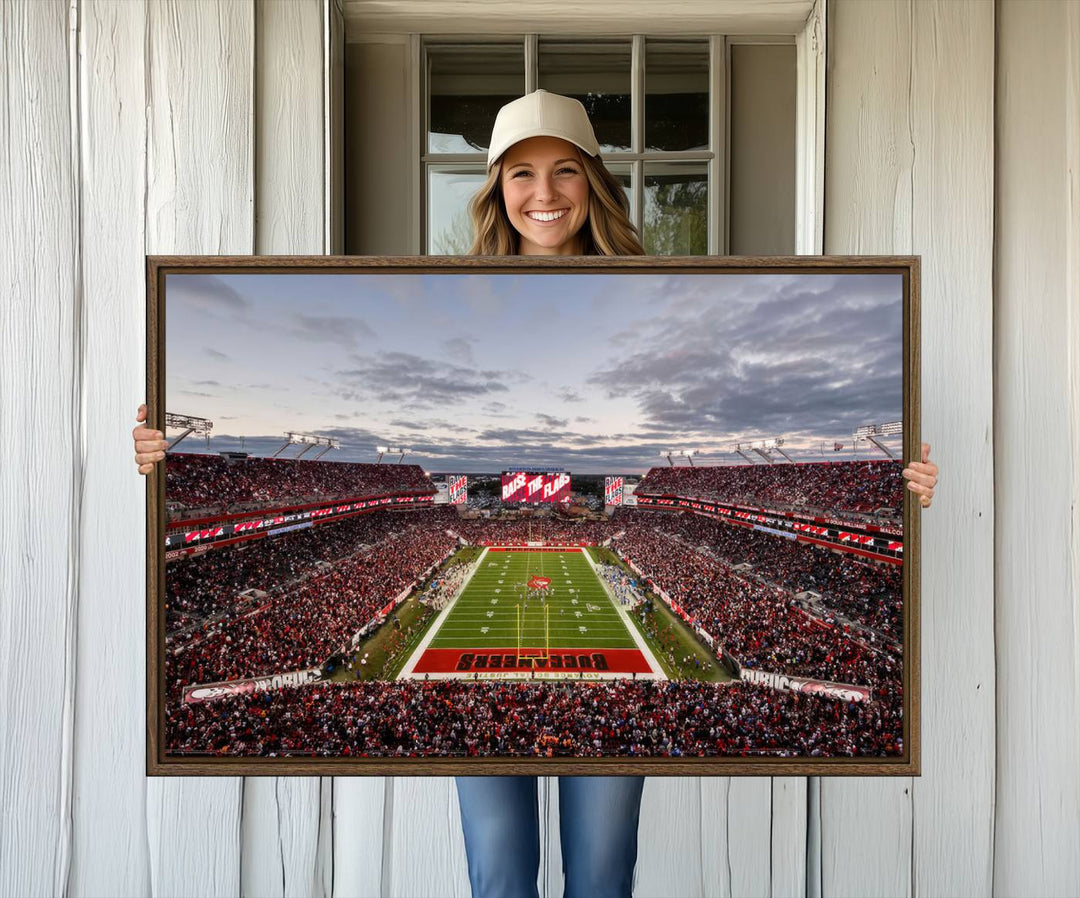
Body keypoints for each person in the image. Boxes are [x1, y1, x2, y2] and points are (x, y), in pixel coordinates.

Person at [131, 89, 940, 898]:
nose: (544, 193)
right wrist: (171, 453)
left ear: (593, 181)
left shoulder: (657, 294)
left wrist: (893, 484)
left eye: (564, 171)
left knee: (600, 873)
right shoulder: (451, 296)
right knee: (500, 874)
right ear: (495, 189)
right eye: (521, 173)